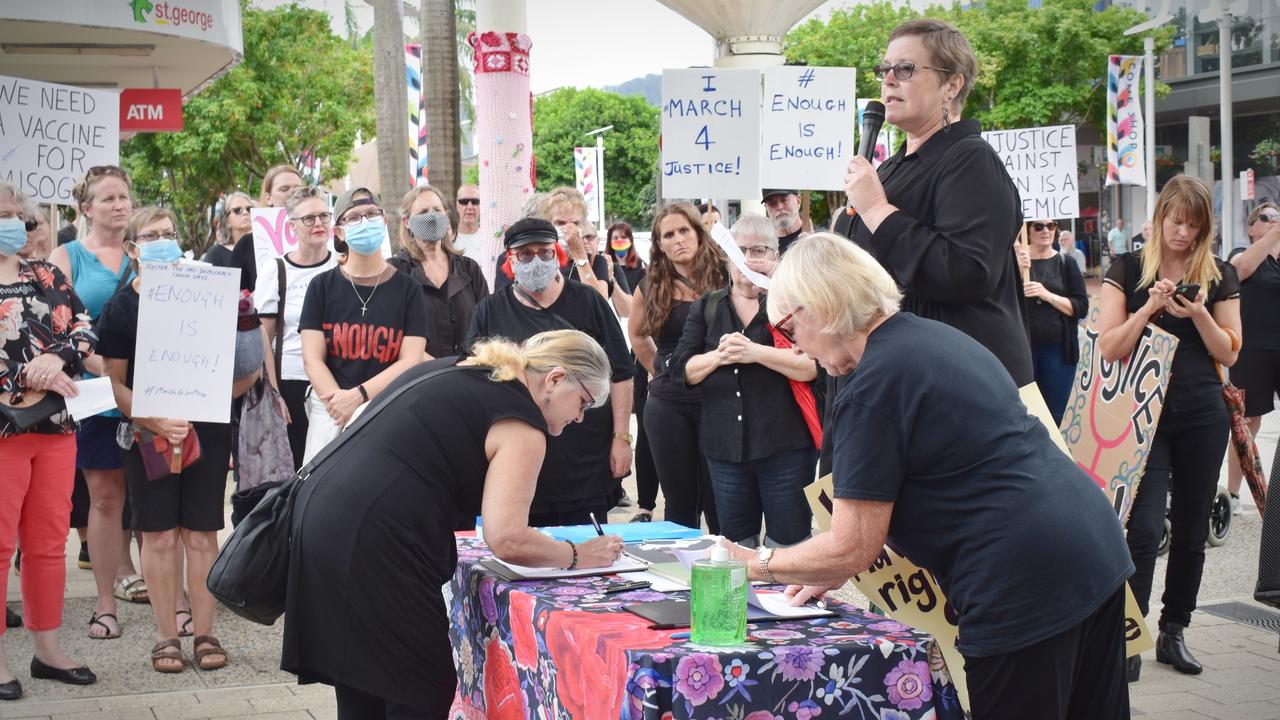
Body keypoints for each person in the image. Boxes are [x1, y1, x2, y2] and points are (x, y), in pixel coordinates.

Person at [729, 231, 1134, 719]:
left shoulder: (871, 385)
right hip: (1092, 547)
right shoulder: (930, 335)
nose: (794, 347)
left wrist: (756, 563)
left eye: (789, 331)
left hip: (1023, 576)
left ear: (821, 307)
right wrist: (827, 566)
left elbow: (853, 544)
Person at [282, 330, 625, 718]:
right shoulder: (522, 423)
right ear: (556, 378)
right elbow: (508, 538)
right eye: (584, 402)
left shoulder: (467, 369)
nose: (580, 417)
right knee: (421, 688)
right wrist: (577, 554)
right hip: (374, 538)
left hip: (324, 516)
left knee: (363, 682)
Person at [98, 206, 256, 674]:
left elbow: (246, 369)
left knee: (202, 535)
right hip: (147, 434)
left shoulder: (207, 293)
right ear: (132, 249)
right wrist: (157, 419)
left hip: (206, 431)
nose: (164, 241)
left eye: (169, 233)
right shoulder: (121, 307)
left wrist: (207, 401)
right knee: (160, 534)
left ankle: (206, 634)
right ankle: (166, 636)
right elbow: (114, 384)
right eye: (152, 236)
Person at [1099, 174, 1241, 680]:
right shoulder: (1129, 267)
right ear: (1159, 218)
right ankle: (1128, 636)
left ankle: (1174, 629)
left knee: (1191, 526)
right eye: (1175, 221)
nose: (1182, 233)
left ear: (1206, 229)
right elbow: (1109, 346)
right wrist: (1152, 308)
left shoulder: (1219, 274)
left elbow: (1229, 351)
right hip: (1144, 412)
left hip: (1202, 411)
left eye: (1193, 225)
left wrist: (1200, 314)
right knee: (1141, 528)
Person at [839, 20, 1032, 390]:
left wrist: (878, 209)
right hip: (890, 376)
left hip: (952, 385)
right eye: (884, 69)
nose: (888, 80)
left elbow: (967, 273)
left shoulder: (971, 160)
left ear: (952, 84)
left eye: (905, 69)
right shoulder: (891, 168)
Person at [467, 218, 634, 526]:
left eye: (544, 252)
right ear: (511, 260)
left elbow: (621, 373)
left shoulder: (589, 302)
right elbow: (474, 380)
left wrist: (621, 437)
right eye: (525, 254)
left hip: (584, 458)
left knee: (587, 555)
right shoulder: (489, 311)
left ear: (557, 253)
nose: (536, 261)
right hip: (519, 459)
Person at [0, 189, 99, 700]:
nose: (17, 225)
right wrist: (22, 374)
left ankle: (48, 650)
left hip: (56, 427)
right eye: (5, 217)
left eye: (22, 217)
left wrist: (57, 358)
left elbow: (84, 327)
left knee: (47, 542)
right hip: (3, 431)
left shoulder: (47, 275)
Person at [672, 214, 818, 547]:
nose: (749, 260)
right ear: (726, 255)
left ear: (775, 256)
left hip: (785, 448)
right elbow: (681, 371)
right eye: (740, 250)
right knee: (735, 548)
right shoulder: (708, 307)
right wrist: (719, 357)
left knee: (790, 545)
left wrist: (755, 352)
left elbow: (812, 366)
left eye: (759, 250)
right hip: (724, 451)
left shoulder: (792, 304)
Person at [47, 167, 146, 641]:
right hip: (93, 394)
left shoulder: (147, 251)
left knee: (153, 497)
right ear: (86, 208)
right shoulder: (65, 258)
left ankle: (170, 592)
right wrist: (96, 362)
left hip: (150, 394)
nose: (119, 205)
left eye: (124, 196)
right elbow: (52, 324)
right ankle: (106, 605)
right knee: (105, 497)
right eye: (107, 198)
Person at [299, 188, 427, 463]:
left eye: (371, 214)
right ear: (339, 232)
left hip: (389, 407)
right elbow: (312, 358)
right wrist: (340, 405)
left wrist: (359, 398)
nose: (365, 221)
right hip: (332, 409)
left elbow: (411, 359)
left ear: (384, 221)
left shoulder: (409, 289)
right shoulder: (321, 287)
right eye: (354, 218)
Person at [630, 203, 727, 532]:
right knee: (680, 502)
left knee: (720, 499)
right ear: (658, 244)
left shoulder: (726, 275)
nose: (677, 239)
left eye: (684, 230)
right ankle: (679, 577)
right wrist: (659, 372)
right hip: (668, 404)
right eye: (668, 235)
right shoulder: (649, 286)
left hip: (719, 397)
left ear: (699, 234)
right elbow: (638, 337)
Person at [254, 187, 339, 470]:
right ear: (292, 226)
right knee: (297, 473)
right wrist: (274, 393)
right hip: (292, 381)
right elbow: (263, 337)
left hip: (340, 382)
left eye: (324, 216)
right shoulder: (275, 269)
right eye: (309, 218)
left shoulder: (344, 266)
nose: (318, 224)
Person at [388, 184, 489, 358]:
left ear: (446, 216)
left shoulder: (469, 269)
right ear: (407, 222)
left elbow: (487, 324)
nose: (432, 216)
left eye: (437, 209)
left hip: (470, 373)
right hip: (421, 376)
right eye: (423, 212)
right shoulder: (396, 271)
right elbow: (392, 335)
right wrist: (440, 370)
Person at [1225, 202, 1280, 515]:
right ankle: (1233, 494)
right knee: (1246, 424)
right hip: (1252, 351)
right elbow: (1240, 270)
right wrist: (1274, 236)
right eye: (1266, 217)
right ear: (1251, 228)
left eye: (1277, 217)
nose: (1273, 221)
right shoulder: (1242, 255)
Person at [1015, 219, 1088, 425]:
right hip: (1024, 349)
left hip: (1058, 350)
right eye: (1039, 226)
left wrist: (1047, 295)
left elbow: (1081, 307)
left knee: (1057, 413)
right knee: (1026, 412)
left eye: (1051, 225)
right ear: (1027, 231)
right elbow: (1002, 302)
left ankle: (1057, 455)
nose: (1046, 230)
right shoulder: (1015, 265)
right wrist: (1018, 272)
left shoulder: (1066, 262)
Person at [609, 222, 659, 522]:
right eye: (614, 238)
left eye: (623, 238)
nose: (619, 242)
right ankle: (645, 504)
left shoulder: (642, 272)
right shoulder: (604, 268)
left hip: (658, 360)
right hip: (636, 358)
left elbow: (631, 311)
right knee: (646, 432)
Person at [229, 165, 304, 292]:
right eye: (284, 189)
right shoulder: (246, 245)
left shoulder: (319, 237)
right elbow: (233, 296)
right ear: (268, 198)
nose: (293, 193)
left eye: (298, 188)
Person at [203, 192, 255, 267]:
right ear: (227, 221)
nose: (245, 213)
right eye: (237, 210)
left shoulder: (263, 249)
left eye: (249, 209)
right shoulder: (216, 253)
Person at [762, 189, 804, 254]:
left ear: (798, 201)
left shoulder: (819, 237)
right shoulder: (764, 248)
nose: (779, 207)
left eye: (784, 200)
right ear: (766, 207)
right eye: (772, 203)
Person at [452, 183, 484, 262]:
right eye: (464, 201)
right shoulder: (447, 241)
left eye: (475, 201)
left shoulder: (489, 239)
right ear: (457, 206)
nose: (470, 207)